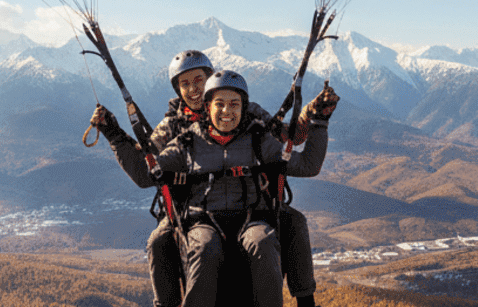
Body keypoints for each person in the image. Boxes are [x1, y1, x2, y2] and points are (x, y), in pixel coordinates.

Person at [92, 55, 337, 307]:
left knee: (289, 225)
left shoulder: (253, 123)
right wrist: (114, 134)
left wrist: (315, 116)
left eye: (199, 80)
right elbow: (148, 163)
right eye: (185, 84)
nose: (193, 88)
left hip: (251, 210)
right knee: (162, 241)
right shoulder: (177, 131)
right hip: (193, 209)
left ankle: (305, 299)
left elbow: (288, 136)